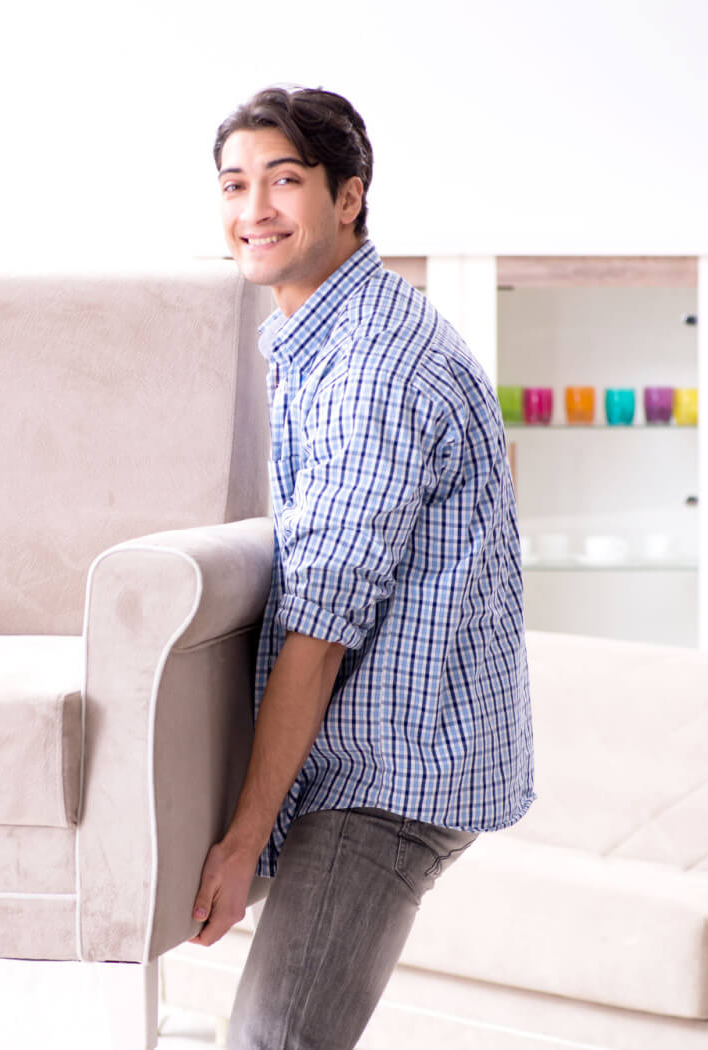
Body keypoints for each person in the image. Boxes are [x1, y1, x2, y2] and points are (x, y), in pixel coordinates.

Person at [189, 86, 536, 1048]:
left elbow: (322, 627)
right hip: (365, 749)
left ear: (347, 198)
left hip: (388, 773)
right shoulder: (318, 339)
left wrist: (244, 840)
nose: (253, 208)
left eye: (283, 181)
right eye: (234, 185)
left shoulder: (374, 368)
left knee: (272, 1040)